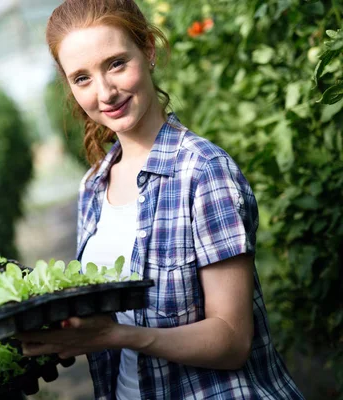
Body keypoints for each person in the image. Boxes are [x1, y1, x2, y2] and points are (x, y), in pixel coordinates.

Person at [17, 1, 304, 399]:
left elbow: (233, 341)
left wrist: (119, 335)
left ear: (148, 51)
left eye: (116, 63)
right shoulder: (94, 187)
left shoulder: (203, 171)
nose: (105, 92)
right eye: (82, 78)